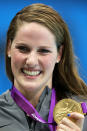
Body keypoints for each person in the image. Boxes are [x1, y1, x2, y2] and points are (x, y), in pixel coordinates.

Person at [0, 3, 87, 131]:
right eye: (23, 48)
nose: (31, 61)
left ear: (59, 54)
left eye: (44, 51)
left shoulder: (81, 116)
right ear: (8, 48)